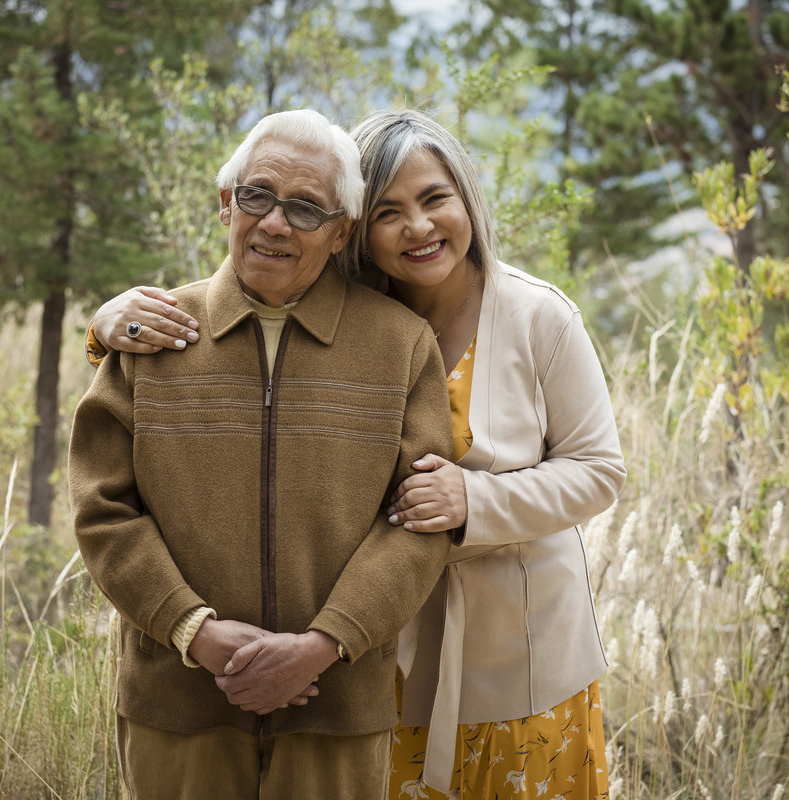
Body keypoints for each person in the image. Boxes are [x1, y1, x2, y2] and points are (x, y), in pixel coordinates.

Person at [87, 109, 626, 800]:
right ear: (358, 232)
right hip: (377, 664)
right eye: (390, 211)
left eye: (435, 199)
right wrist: (103, 332)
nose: (419, 227)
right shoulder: (349, 316)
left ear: (468, 199)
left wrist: (473, 500)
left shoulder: (532, 317)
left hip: (511, 646)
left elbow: (599, 468)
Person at [68, 108, 456, 800]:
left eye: (306, 208)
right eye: (257, 196)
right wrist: (197, 632)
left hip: (335, 707)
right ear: (227, 205)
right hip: (178, 703)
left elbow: (418, 524)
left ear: (341, 234)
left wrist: (321, 645)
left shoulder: (400, 346)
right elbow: (103, 511)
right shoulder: (151, 336)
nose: (274, 223)